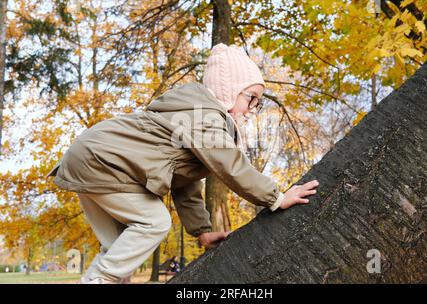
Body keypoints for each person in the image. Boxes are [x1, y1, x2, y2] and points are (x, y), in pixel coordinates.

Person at [47, 43, 320, 284]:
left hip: (90, 159)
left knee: (119, 247)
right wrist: (276, 197)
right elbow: (231, 165)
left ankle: (99, 280)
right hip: (103, 162)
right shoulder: (206, 116)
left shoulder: (189, 116)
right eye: (250, 98)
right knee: (153, 222)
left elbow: (184, 182)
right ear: (227, 93)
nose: (252, 108)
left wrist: (201, 232)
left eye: (258, 103)